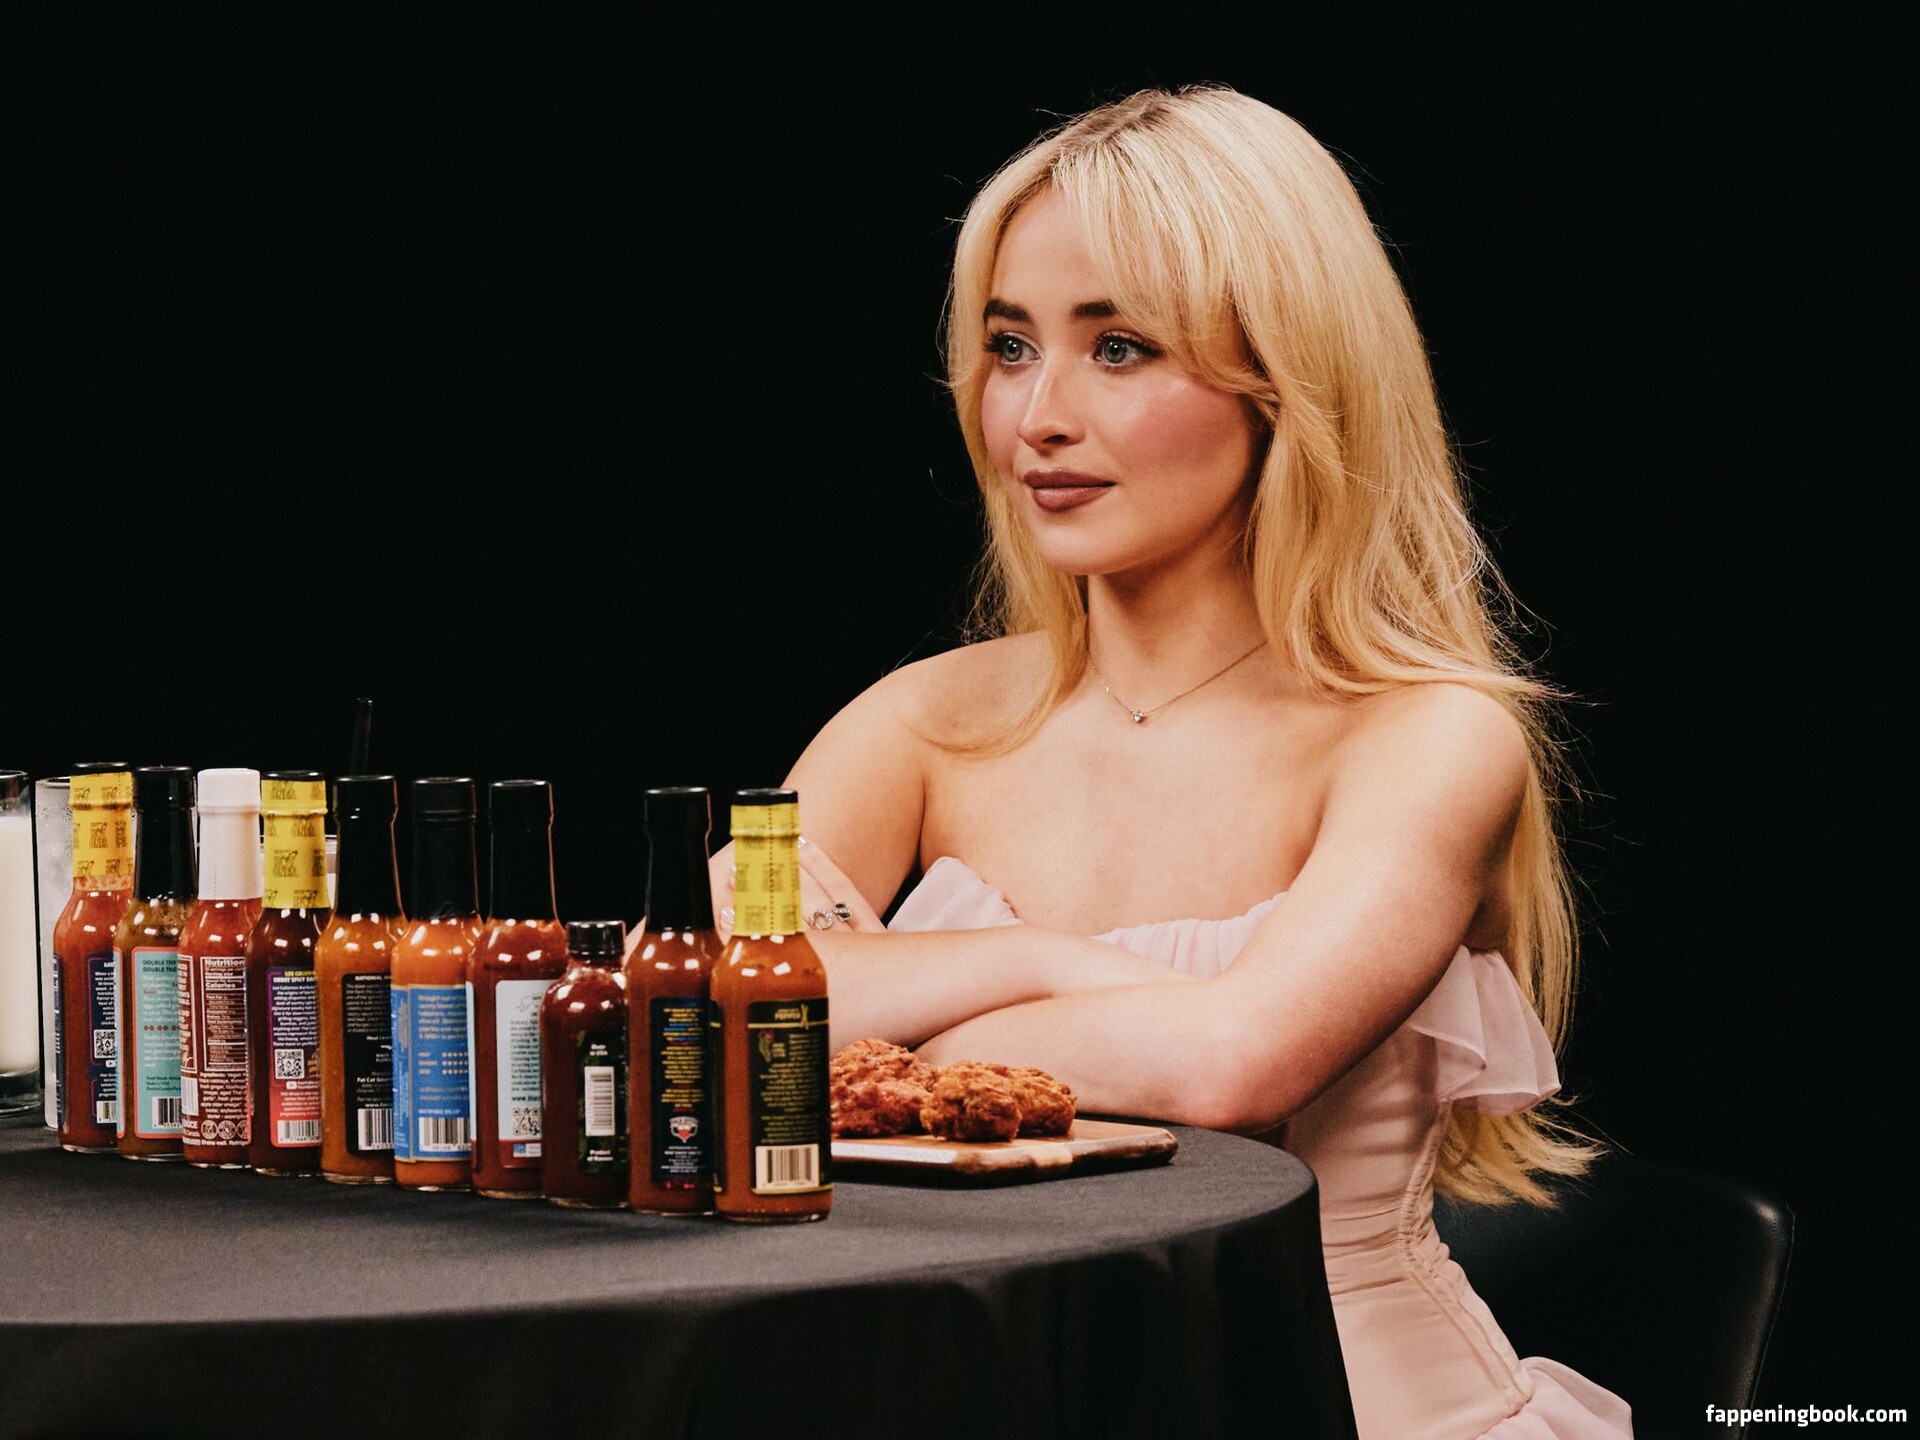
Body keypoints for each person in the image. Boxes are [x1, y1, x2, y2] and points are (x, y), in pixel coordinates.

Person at [709, 84, 1633, 1440]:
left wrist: (894, 1037)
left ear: (1291, 379)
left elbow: (1226, 1075)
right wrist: (1055, 966)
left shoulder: (1430, 736)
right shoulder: (916, 720)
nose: (1038, 415)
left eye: (1121, 348)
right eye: (1010, 346)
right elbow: (715, 1023)